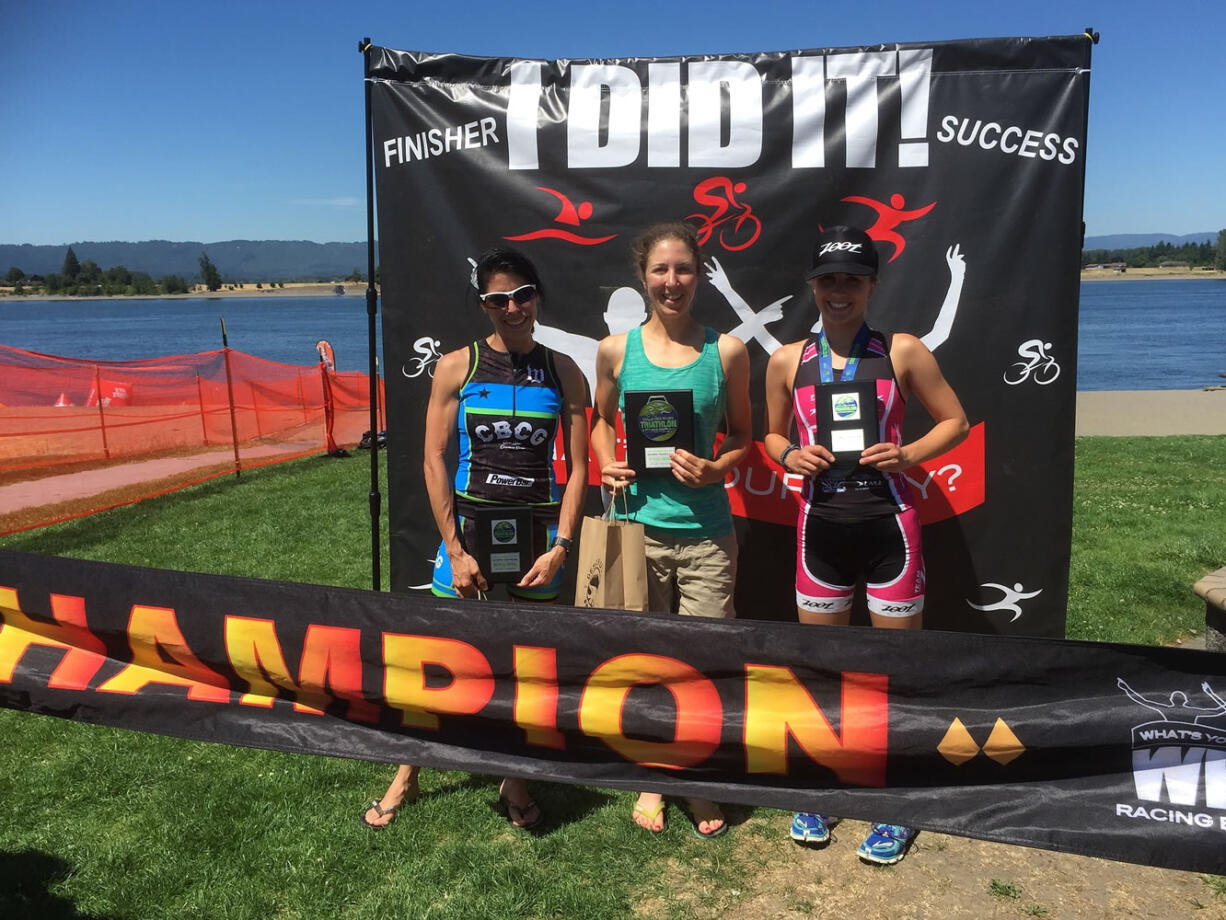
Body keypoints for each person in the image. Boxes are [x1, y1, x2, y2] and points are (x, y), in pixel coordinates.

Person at [363, 247, 588, 831]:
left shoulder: (565, 369)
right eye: (497, 299)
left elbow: (581, 470)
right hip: (470, 541)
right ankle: (406, 776)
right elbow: (434, 459)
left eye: (522, 296)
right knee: (438, 662)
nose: (511, 308)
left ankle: (516, 782)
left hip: (540, 544)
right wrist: (455, 550)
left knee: (531, 669)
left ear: (537, 296)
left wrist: (561, 545)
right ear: (483, 304)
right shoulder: (456, 366)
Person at [763, 225, 969, 865]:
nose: (839, 290)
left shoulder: (901, 350)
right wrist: (792, 453)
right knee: (822, 666)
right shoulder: (786, 359)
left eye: (852, 278)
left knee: (891, 672)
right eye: (828, 280)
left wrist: (906, 454)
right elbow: (769, 440)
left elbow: (955, 420)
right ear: (813, 287)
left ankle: (897, 804)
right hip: (820, 527)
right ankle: (820, 789)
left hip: (889, 526)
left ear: (872, 286)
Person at [591, 222, 752, 838]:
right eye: (661, 270)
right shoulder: (615, 350)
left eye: (684, 269)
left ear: (700, 275)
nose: (672, 282)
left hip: (707, 533)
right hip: (634, 529)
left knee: (704, 661)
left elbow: (742, 436)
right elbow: (600, 421)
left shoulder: (727, 352)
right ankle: (654, 774)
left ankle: (696, 782)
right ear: (644, 276)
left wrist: (717, 467)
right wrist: (608, 462)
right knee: (644, 659)